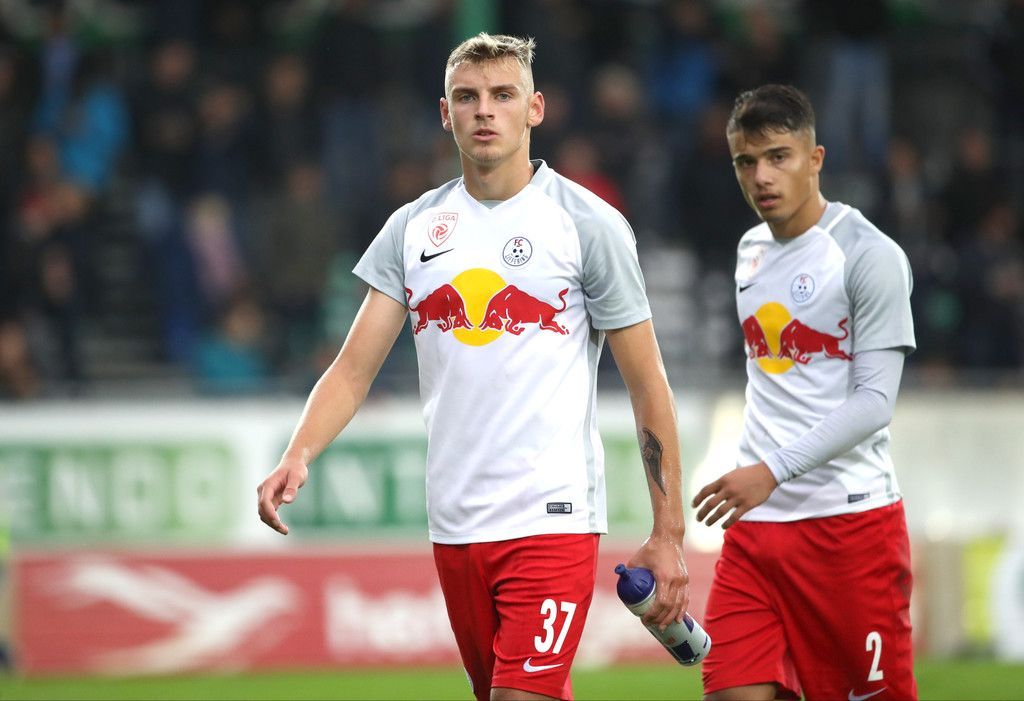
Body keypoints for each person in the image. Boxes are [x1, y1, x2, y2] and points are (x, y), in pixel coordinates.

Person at [257, 33, 689, 701]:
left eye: (503, 95)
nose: (484, 109)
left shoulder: (588, 225)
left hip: (552, 516)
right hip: (455, 523)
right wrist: (299, 451)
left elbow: (647, 383)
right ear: (445, 113)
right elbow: (351, 369)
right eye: (467, 96)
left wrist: (669, 531)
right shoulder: (412, 228)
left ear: (535, 109)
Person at [691, 84, 917, 701]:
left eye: (778, 157)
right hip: (756, 532)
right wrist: (761, 477)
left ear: (815, 159)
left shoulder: (869, 255)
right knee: (729, 690)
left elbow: (875, 402)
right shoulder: (750, 251)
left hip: (847, 526)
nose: (761, 176)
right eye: (745, 161)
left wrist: (771, 470)